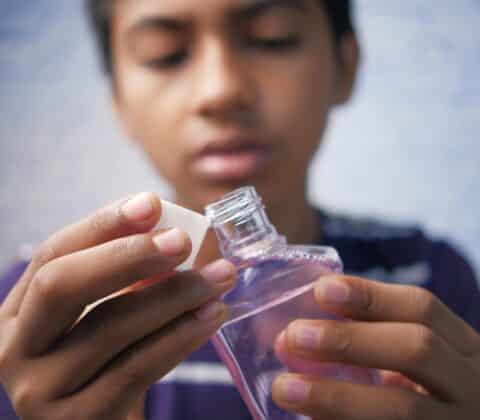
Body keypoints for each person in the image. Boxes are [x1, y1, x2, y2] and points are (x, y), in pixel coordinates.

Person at [1, 0, 479, 419]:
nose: (221, 91)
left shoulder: (431, 279)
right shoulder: (40, 325)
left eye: (274, 38)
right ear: (118, 102)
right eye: (165, 55)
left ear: (346, 65)